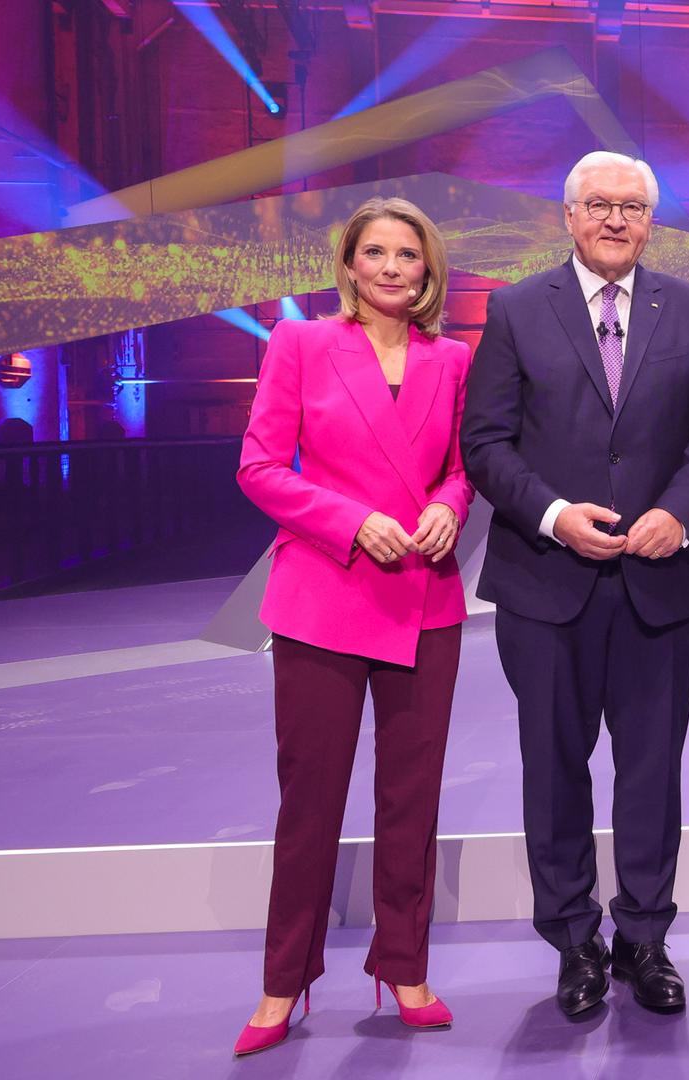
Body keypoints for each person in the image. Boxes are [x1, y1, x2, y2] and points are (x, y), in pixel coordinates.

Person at [461, 150, 689, 1017]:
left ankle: (645, 938)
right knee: (554, 769)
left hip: (658, 580)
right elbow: (486, 444)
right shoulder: (513, 310)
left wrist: (680, 513)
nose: (616, 219)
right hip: (546, 582)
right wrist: (552, 516)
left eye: (632, 206)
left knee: (652, 771)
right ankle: (574, 940)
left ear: (650, 221)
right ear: (570, 216)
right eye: (599, 205)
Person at [234, 196, 471, 1055]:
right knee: (311, 801)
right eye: (376, 252)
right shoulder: (299, 344)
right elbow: (259, 467)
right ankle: (281, 982)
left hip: (423, 596)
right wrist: (344, 519)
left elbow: (459, 466)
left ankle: (402, 965)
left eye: (409, 254)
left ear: (428, 267)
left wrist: (450, 505)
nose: (393, 268)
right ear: (348, 264)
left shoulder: (453, 359)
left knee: (412, 800)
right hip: (323, 597)